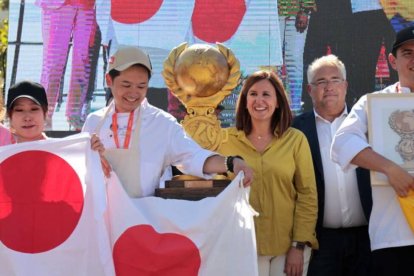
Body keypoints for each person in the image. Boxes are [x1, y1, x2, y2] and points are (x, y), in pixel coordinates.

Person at [82, 45, 253, 198]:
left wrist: (231, 163)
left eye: (141, 86)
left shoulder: (162, 123)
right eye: (126, 85)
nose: (133, 93)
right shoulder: (93, 122)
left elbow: (193, 156)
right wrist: (89, 155)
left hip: (142, 222)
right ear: (109, 80)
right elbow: (77, 173)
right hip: (100, 223)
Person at [217, 70, 318, 276]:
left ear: (278, 101)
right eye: (253, 94)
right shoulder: (224, 140)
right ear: (244, 101)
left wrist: (298, 246)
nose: (259, 100)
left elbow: (307, 195)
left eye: (266, 94)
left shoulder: (296, 140)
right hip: (241, 246)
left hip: (288, 247)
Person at [331, 26, 414, 276]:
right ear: (392, 60)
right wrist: (390, 169)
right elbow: (342, 142)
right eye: (407, 53)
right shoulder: (374, 102)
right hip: (393, 236)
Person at [292, 55, 372, 275]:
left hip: (367, 239)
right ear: (309, 89)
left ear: (345, 86)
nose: (329, 87)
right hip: (320, 242)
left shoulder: (367, 122)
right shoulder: (295, 129)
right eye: (321, 82)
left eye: (335, 80)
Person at [35, 0, 99, 130]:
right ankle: (45, 115)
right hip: (57, 5)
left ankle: (74, 113)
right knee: (53, 62)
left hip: (87, 6)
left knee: (83, 59)